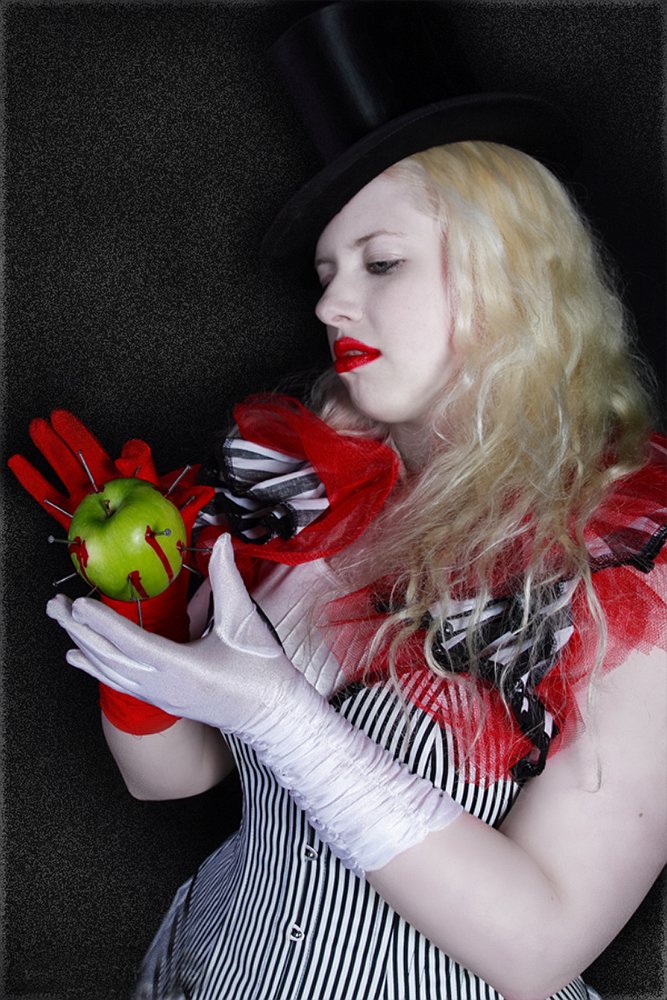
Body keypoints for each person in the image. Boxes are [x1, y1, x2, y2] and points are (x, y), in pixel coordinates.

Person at [33, 4, 667, 998]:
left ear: (510, 273)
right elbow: (172, 776)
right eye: (328, 273)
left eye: (381, 262)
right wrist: (145, 610)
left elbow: (539, 949)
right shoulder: (309, 494)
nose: (329, 304)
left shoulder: (630, 563)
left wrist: (287, 719)